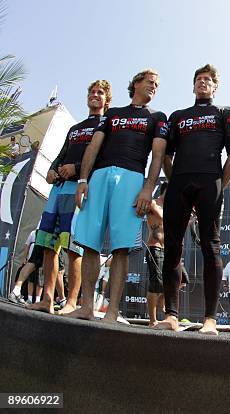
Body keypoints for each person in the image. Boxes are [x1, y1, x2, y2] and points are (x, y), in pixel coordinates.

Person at [67, 69, 167, 323]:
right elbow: (93, 146)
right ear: (135, 83)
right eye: (150, 82)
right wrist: (82, 180)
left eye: (157, 85)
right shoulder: (112, 114)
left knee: (121, 248)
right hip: (99, 176)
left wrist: (148, 188)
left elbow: (157, 156)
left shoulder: (157, 116)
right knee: (89, 243)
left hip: (132, 176)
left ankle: (112, 311)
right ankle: (87, 306)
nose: (154, 87)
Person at [156, 64, 230, 334]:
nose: (203, 83)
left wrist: (219, 184)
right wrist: (173, 179)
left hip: (209, 181)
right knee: (172, 247)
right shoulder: (178, 115)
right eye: (199, 80)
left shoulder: (224, 112)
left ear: (215, 86)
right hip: (180, 181)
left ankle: (210, 319)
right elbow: (166, 156)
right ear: (192, 86)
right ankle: (171, 315)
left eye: (208, 80)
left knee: (211, 248)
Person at [28, 80, 111, 315]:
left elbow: (101, 158)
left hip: (79, 191)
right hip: (57, 190)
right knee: (47, 246)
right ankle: (47, 300)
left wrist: (76, 167)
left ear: (107, 99)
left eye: (100, 93)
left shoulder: (105, 126)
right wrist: (52, 170)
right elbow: (60, 155)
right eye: (92, 92)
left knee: (74, 249)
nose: (95, 95)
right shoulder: (75, 128)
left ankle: (72, 302)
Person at [145, 182, 167, 326]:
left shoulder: (170, 207)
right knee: (155, 284)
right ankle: (152, 320)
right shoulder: (153, 203)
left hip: (167, 250)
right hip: (154, 248)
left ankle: (162, 300)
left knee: (181, 279)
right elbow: (164, 218)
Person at [9, 229, 43, 304]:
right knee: (31, 279)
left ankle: (37, 300)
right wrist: (24, 257)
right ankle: (29, 298)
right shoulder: (33, 233)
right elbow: (27, 245)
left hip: (42, 260)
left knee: (40, 280)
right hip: (32, 258)